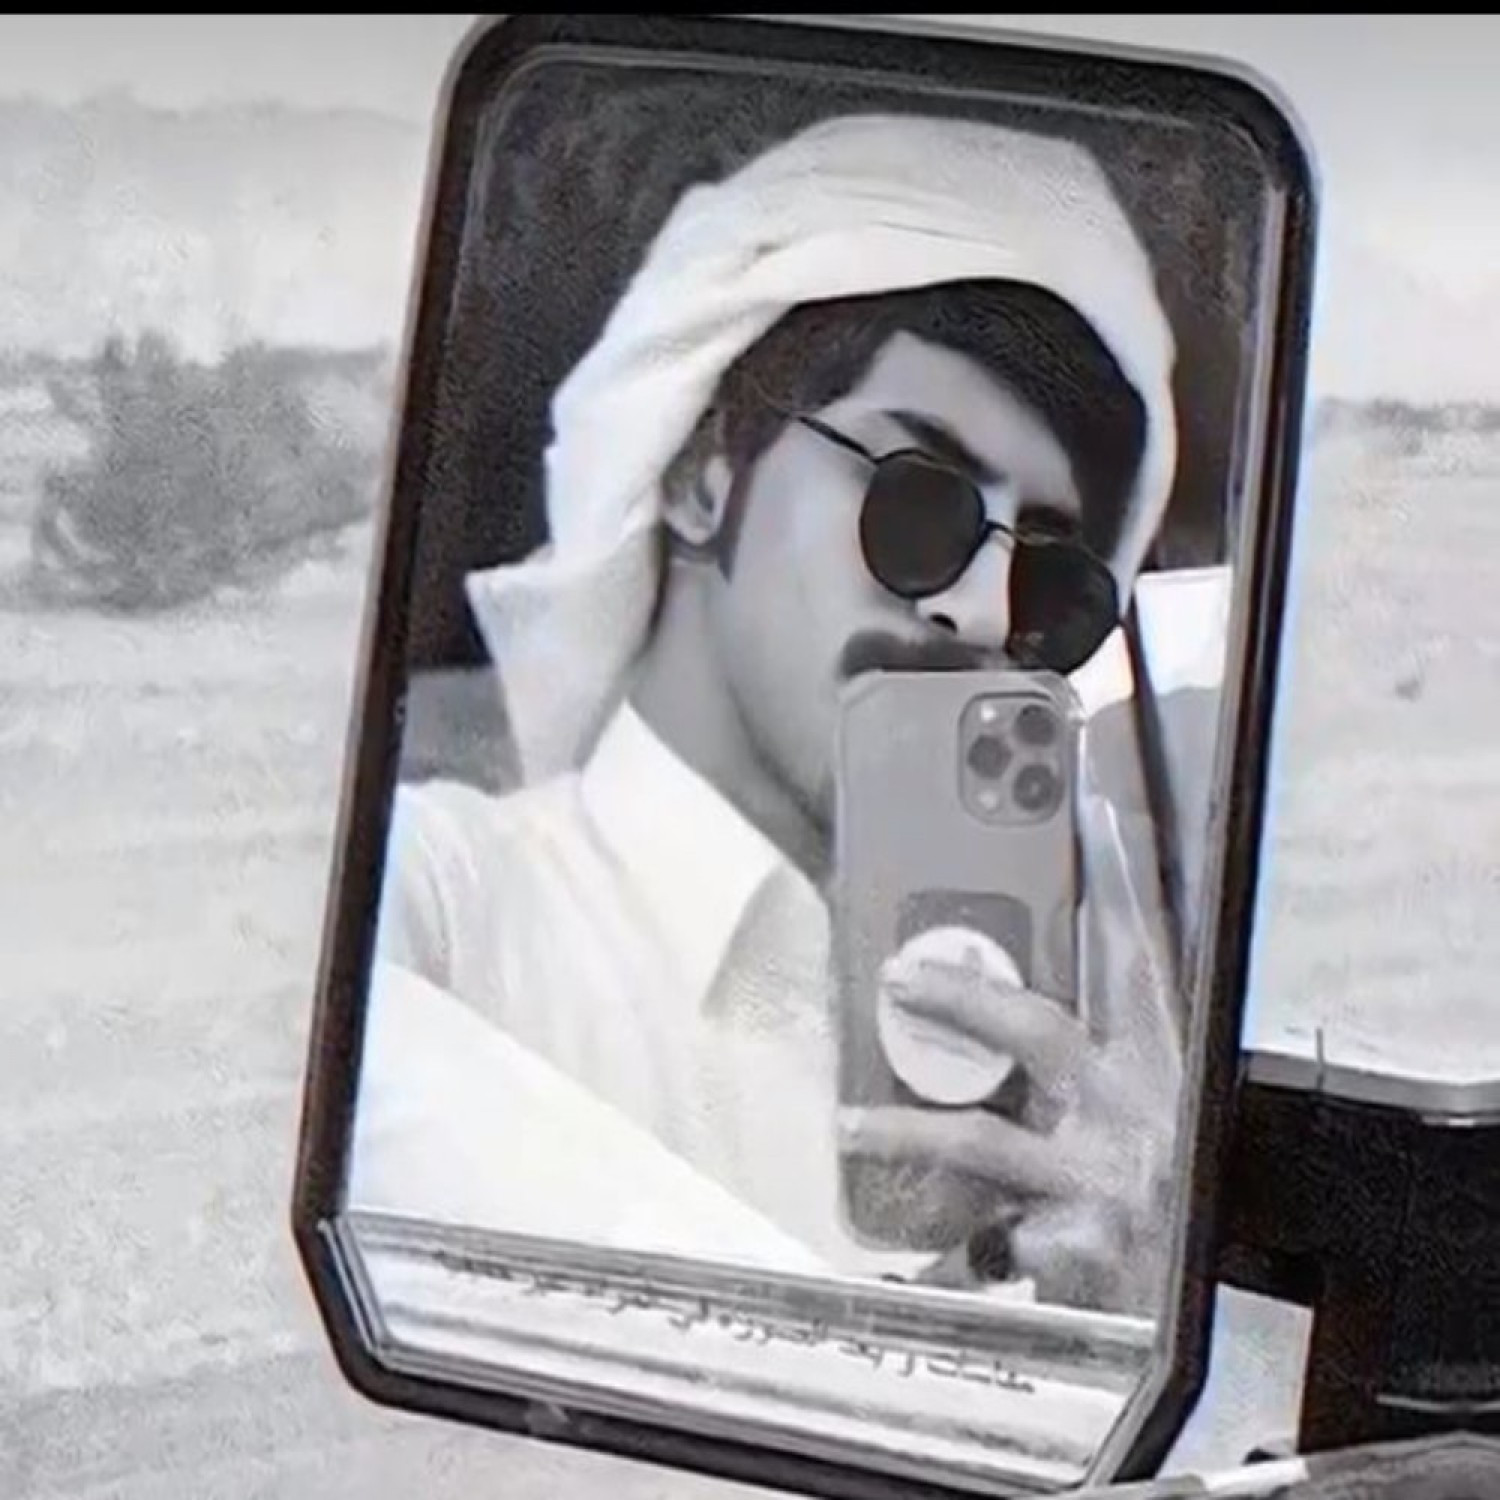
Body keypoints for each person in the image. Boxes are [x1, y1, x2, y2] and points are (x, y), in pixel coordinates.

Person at [355, 111, 1192, 1315]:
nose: (979, 612)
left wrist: (1143, 1281)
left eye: (1050, 584)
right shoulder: (439, 899)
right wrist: (917, 1348)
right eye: (919, 504)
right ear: (704, 478)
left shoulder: (1081, 1038)